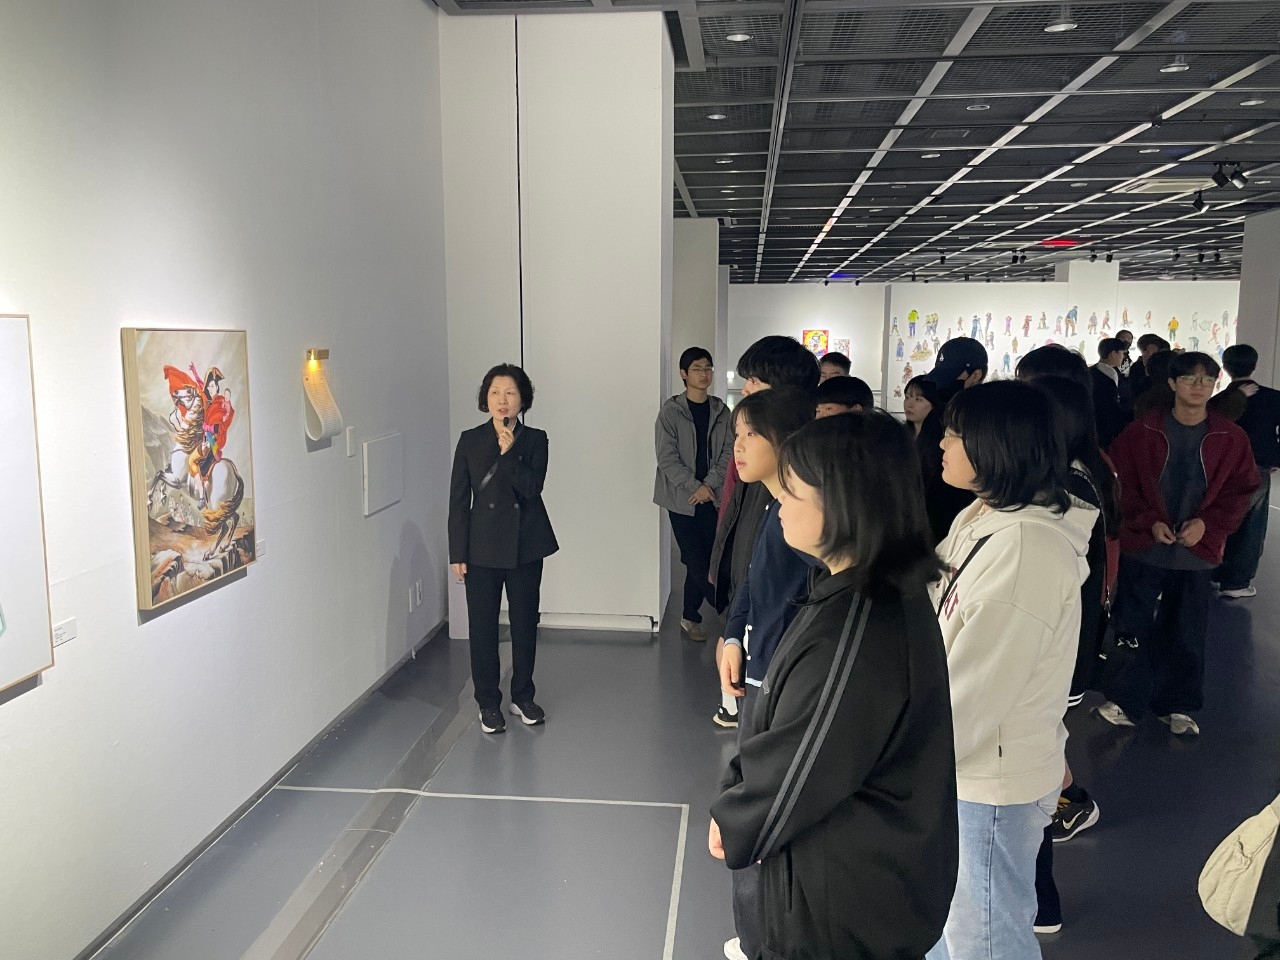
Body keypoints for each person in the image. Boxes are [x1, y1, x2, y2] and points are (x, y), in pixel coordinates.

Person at [711, 411, 958, 960]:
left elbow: (801, 765)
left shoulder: (855, 629)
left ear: (843, 505)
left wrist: (735, 816)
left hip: (840, 904)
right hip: (864, 883)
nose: (779, 503)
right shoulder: (867, 589)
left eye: (793, 491)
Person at [925, 380, 1096, 960]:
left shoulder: (1025, 549)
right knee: (954, 928)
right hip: (965, 772)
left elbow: (974, 696)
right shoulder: (984, 516)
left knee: (986, 938)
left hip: (989, 783)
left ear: (997, 445)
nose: (942, 444)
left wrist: (898, 766)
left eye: (955, 434)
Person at [1097, 352, 1260, 736]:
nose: (1198, 386)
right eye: (1189, 378)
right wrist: (1147, 522)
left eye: (1207, 380)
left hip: (1197, 553)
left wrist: (1209, 525)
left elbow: (1242, 491)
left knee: (1187, 631)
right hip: (1145, 547)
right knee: (1131, 626)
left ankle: (1177, 704)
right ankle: (1126, 699)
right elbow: (1119, 486)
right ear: (1172, 384)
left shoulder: (1230, 437)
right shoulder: (1142, 432)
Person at [713, 387, 816, 959]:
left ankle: (759, 943)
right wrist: (733, 634)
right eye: (736, 435)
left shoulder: (806, 515)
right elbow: (752, 582)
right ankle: (757, 935)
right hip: (760, 673)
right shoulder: (771, 504)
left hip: (782, 683)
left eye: (751, 434)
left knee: (758, 811)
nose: (739, 447)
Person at [709, 337, 819, 728]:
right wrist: (734, 630)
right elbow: (748, 546)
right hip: (751, 623)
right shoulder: (769, 490)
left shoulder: (805, 507)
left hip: (779, 661)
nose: (746, 390)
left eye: (754, 381)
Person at [449, 364, 558, 735]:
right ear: (486, 398)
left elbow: (532, 488)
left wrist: (510, 454)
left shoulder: (535, 439)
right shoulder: (470, 440)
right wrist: (457, 552)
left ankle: (523, 696)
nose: (502, 400)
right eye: (495, 392)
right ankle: (487, 702)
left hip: (525, 545)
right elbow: (459, 500)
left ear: (522, 399)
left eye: (510, 392)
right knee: (482, 627)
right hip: (481, 547)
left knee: (525, 624)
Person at [654, 348, 733, 641]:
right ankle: (726, 610)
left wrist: (708, 485)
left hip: (711, 496)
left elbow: (729, 453)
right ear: (683, 374)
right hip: (681, 498)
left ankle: (690, 616)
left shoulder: (722, 412)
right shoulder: (671, 412)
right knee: (693, 558)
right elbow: (666, 458)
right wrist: (694, 486)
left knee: (709, 557)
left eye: (708, 368)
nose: (704, 374)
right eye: (697, 368)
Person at [1214, 344, 1280, 599]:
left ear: (1225, 366)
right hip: (1258, 465)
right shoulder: (1273, 398)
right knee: (1252, 525)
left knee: (1220, 517)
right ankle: (1236, 581)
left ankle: (1215, 570)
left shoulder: (1217, 401)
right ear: (1255, 365)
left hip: (1222, 467)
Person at [921, 338, 988, 544]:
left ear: (976, 375)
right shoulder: (936, 414)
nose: (944, 443)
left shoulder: (985, 421)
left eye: (955, 435)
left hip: (965, 515)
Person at [1092, 337, 1130, 448]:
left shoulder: (1092, 372)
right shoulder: (1105, 375)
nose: (1123, 357)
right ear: (1113, 353)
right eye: (1122, 353)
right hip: (1104, 431)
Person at [1129, 333, 1171, 402]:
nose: (1145, 355)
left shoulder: (1168, 370)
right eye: (1144, 352)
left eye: (1150, 353)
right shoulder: (1137, 368)